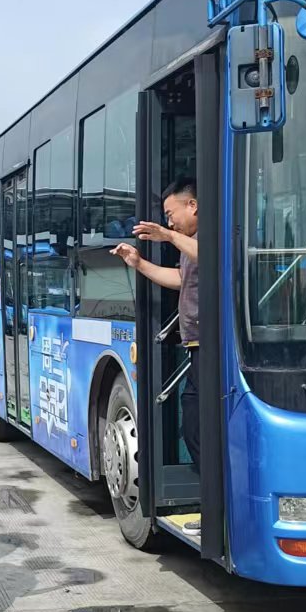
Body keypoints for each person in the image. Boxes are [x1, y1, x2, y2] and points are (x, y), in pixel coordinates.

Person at [113, 176, 201, 467]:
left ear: (193, 205)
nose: (170, 223)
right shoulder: (190, 244)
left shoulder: (211, 235)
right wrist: (138, 263)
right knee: (192, 422)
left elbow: (214, 259)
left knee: (196, 423)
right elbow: (180, 278)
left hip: (211, 344)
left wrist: (168, 236)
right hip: (195, 345)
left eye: (171, 214)